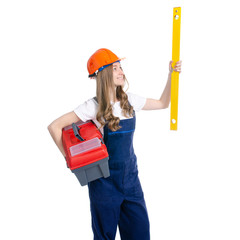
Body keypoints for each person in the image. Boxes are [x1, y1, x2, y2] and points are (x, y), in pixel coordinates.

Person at [48, 48, 182, 240]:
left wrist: (171, 75)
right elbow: (55, 127)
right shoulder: (92, 107)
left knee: (140, 233)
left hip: (131, 180)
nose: (121, 72)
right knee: (104, 236)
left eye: (121, 68)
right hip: (104, 183)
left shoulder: (130, 100)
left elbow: (163, 103)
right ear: (103, 75)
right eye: (116, 68)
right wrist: (72, 161)